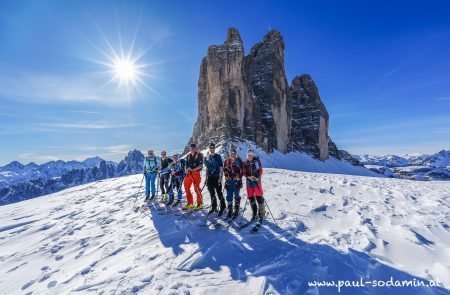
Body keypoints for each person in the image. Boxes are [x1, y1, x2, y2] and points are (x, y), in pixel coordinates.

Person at [204, 142, 226, 216]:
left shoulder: (218, 156)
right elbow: (207, 167)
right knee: (211, 193)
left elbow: (221, 167)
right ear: (209, 148)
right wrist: (206, 178)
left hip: (217, 176)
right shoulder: (207, 157)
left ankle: (223, 207)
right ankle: (214, 206)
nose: (212, 149)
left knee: (219, 192)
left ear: (215, 148)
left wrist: (221, 177)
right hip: (210, 177)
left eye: (213, 147)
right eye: (210, 148)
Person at [243, 148, 264, 221]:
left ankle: (261, 213)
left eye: (251, 154)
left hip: (257, 181)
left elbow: (260, 170)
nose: (250, 156)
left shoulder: (256, 161)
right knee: (251, 197)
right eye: (249, 154)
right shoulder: (245, 163)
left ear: (253, 154)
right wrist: (248, 177)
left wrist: (257, 177)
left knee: (259, 197)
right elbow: (244, 173)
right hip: (249, 182)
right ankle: (254, 212)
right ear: (247, 155)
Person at [223, 147, 244, 218]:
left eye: (234, 152)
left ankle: (236, 209)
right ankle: (230, 210)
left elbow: (242, 171)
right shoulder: (226, 161)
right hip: (229, 181)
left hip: (236, 181)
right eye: (231, 152)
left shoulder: (239, 161)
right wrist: (226, 175)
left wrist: (239, 177)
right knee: (229, 195)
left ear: (236, 153)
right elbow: (225, 169)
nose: (232, 154)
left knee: (236, 195)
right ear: (229, 153)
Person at [183, 143, 204, 210]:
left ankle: (199, 204)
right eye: (191, 147)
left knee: (196, 189)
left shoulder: (199, 155)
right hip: (189, 173)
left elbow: (200, 165)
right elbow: (187, 165)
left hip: (196, 173)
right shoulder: (188, 155)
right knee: (186, 187)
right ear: (189, 148)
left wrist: (193, 169)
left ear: (195, 148)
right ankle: (190, 203)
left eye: (193, 147)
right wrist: (187, 170)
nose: (192, 149)